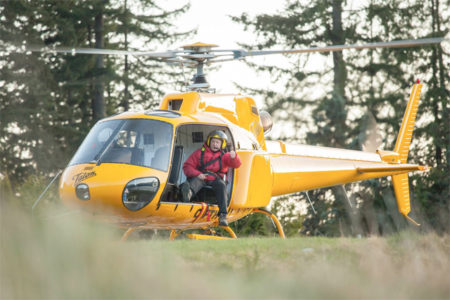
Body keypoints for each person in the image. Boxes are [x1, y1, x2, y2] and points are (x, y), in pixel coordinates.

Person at [180, 130, 241, 226]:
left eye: (217, 142)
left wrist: (234, 157)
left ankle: (222, 215)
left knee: (221, 185)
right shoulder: (199, 153)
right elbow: (187, 166)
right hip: (202, 177)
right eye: (213, 141)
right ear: (209, 142)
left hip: (216, 180)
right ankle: (188, 194)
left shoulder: (225, 156)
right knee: (196, 181)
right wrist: (197, 174)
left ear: (222, 144)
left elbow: (237, 165)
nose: (215, 144)